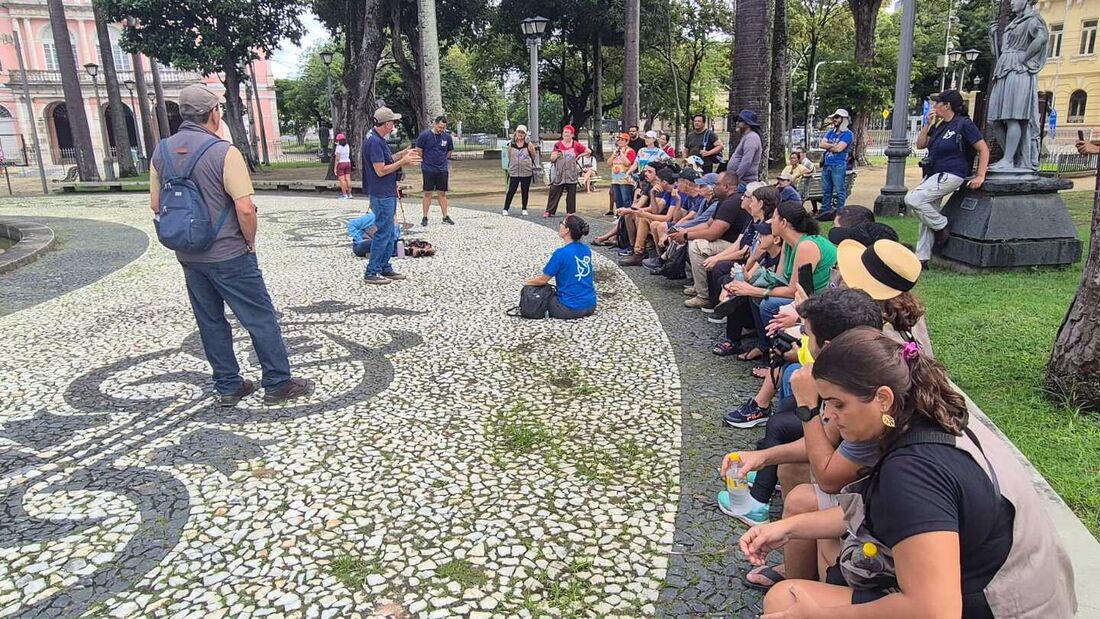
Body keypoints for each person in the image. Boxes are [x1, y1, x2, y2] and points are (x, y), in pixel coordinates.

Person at [746, 327, 1077, 618]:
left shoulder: (912, 474)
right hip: (1022, 590)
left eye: (838, 404)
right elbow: (874, 512)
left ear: (883, 399)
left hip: (999, 607)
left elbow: (934, 611)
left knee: (785, 600)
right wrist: (788, 528)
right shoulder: (933, 415)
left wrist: (819, 615)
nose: (829, 416)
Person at [149, 84, 312, 406]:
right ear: (214, 113)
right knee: (259, 317)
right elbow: (245, 208)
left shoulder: (161, 152)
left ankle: (227, 385)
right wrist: (249, 242)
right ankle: (278, 383)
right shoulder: (224, 151)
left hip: (189, 254)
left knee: (210, 320)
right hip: (230, 252)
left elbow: (156, 204)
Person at [907, 90, 990, 265]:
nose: (934, 106)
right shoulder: (939, 125)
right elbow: (921, 144)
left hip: (952, 173)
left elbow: (983, 149)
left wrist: (980, 175)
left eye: (938, 103)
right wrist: (927, 125)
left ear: (947, 106)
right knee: (926, 212)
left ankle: (941, 225)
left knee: (913, 199)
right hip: (933, 173)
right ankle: (922, 257)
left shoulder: (963, 124)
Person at [362, 106, 421, 285]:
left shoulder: (376, 138)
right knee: (383, 232)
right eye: (393, 122)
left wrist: (401, 154)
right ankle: (372, 271)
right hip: (381, 193)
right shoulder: (374, 142)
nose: (394, 125)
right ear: (387, 124)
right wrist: (404, 161)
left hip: (384, 191)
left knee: (389, 232)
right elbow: (380, 170)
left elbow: (386, 160)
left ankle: (385, 267)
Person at [674, 172, 753, 306]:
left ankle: (703, 295)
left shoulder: (731, 203)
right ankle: (699, 285)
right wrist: (685, 231)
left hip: (732, 244)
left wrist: (686, 235)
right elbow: (707, 224)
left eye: (717, 184)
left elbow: (713, 234)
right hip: (728, 242)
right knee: (694, 241)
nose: (714, 187)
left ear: (726, 187)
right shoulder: (724, 201)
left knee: (696, 245)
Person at [525, 215, 597, 319]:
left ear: (567, 229)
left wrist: (527, 282)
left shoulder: (561, 253)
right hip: (590, 305)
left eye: (562, 223)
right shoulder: (586, 249)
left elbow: (542, 280)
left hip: (569, 308)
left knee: (536, 296)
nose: (559, 226)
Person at [415, 115, 456, 226]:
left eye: (443, 128)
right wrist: (426, 159)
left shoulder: (447, 137)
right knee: (428, 192)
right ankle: (425, 216)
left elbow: (449, 150)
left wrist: (443, 159)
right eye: (439, 127)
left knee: (442, 193)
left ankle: (445, 216)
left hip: (442, 169)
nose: (441, 130)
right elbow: (419, 149)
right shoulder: (425, 136)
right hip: (428, 168)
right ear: (435, 124)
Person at [544, 124, 591, 218]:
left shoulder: (576, 144)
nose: (566, 135)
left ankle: (570, 211)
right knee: (554, 191)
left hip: (571, 172)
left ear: (572, 135)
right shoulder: (558, 144)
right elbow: (552, 158)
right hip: (559, 173)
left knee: (571, 193)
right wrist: (557, 154)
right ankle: (549, 211)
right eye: (564, 133)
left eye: (568, 133)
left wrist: (579, 156)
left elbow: (588, 151)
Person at [818, 109, 854, 220]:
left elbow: (839, 149)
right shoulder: (831, 132)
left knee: (839, 191)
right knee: (826, 190)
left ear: (844, 120)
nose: (834, 120)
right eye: (834, 117)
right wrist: (833, 146)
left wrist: (829, 145)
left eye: (837, 117)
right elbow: (821, 144)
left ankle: (840, 213)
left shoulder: (848, 134)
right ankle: (825, 212)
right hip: (827, 164)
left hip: (838, 165)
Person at [503, 124, 538, 216]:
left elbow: (533, 156)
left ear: (525, 134)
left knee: (525, 190)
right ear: (516, 132)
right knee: (511, 190)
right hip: (514, 171)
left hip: (526, 171)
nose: (520, 134)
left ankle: (524, 208)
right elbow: (509, 155)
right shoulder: (511, 144)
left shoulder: (529, 145)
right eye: (519, 132)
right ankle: (505, 208)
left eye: (522, 132)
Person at [726, 109, 763, 191]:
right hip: (741, 181)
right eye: (737, 121)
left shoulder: (751, 138)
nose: (737, 123)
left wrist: (735, 179)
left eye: (740, 121)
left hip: (744, 183)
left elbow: (747, 161)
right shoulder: (747, 137)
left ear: (748, 123)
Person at [608, 133, 637, 212]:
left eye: (622, 140)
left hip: (625, 180)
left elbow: (627, 163)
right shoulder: (615, 151)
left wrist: (621, 153)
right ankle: (619, 216)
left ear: (627, 142)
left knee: (626, 199)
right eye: (619, 140)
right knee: (617, 199)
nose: (620, 141)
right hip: (615, 179)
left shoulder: (630, 151)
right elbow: (609, 163)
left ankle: (627, 217)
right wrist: (613, 156)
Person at [332, 133, 353, 199]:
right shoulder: (347, 146)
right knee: (348, 179)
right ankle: (350, 194)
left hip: (341, 163)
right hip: (348, 162)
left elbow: (337, 158)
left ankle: (344, 194)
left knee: (342, 180)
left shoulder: (338, 147)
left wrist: (335, 168)